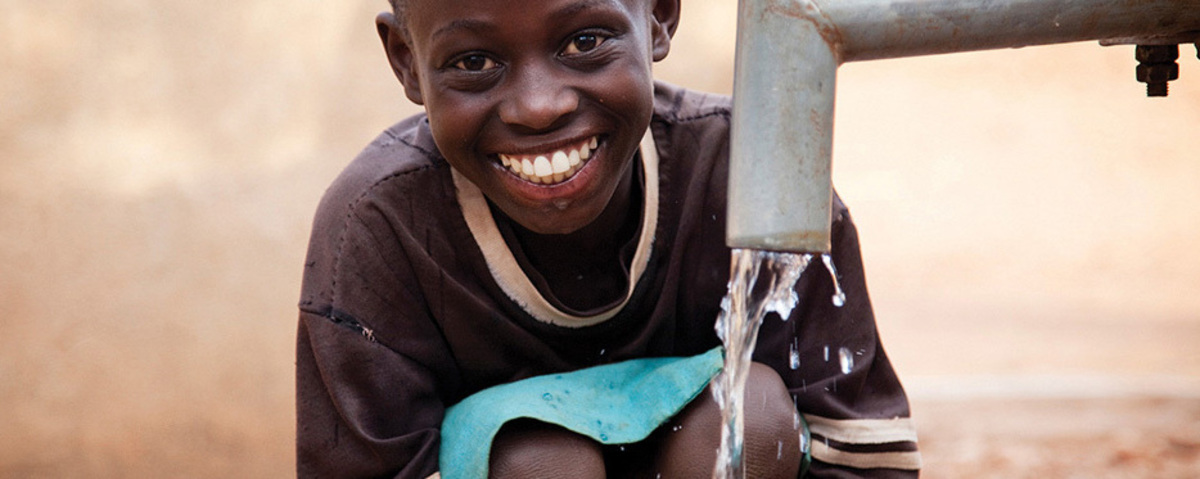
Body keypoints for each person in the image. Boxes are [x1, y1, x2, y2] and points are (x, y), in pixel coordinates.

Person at [296, 0, 921, 477]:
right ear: (406, 59)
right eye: (473, 62)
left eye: (585, 40)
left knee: (747, 419)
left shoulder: (748, 170)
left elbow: (859, 452)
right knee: (543, 465)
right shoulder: (378, 229)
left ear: (659, 15)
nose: (537, 107)